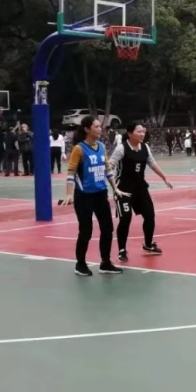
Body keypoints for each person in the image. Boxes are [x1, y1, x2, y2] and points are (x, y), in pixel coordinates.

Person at [63, 116, 126, 276]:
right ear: (87, 129)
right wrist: (69, 193)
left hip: (100, 194)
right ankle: (80, 264)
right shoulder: (79, 149)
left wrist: (115, 188)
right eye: (96, 126)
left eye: (100, 126)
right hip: (84, 196)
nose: (100, 129)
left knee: (107, 229)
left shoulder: (101, 147)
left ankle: (105, 263)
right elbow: (71, 172)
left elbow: (107, 169)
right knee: (86, 231)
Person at [109, 122, 173, 262]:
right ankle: (122, 249)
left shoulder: (145, 147)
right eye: (139, 131)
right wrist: (114, 186)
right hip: (124, 189)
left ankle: (148, 245)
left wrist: (164, 177)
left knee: (150, 215)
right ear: (130, 133)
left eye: (143, 131)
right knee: (125, 218)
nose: (142, 134)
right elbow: (110, 165)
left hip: (140, 188)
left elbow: (152, 163)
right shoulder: (122, 148)